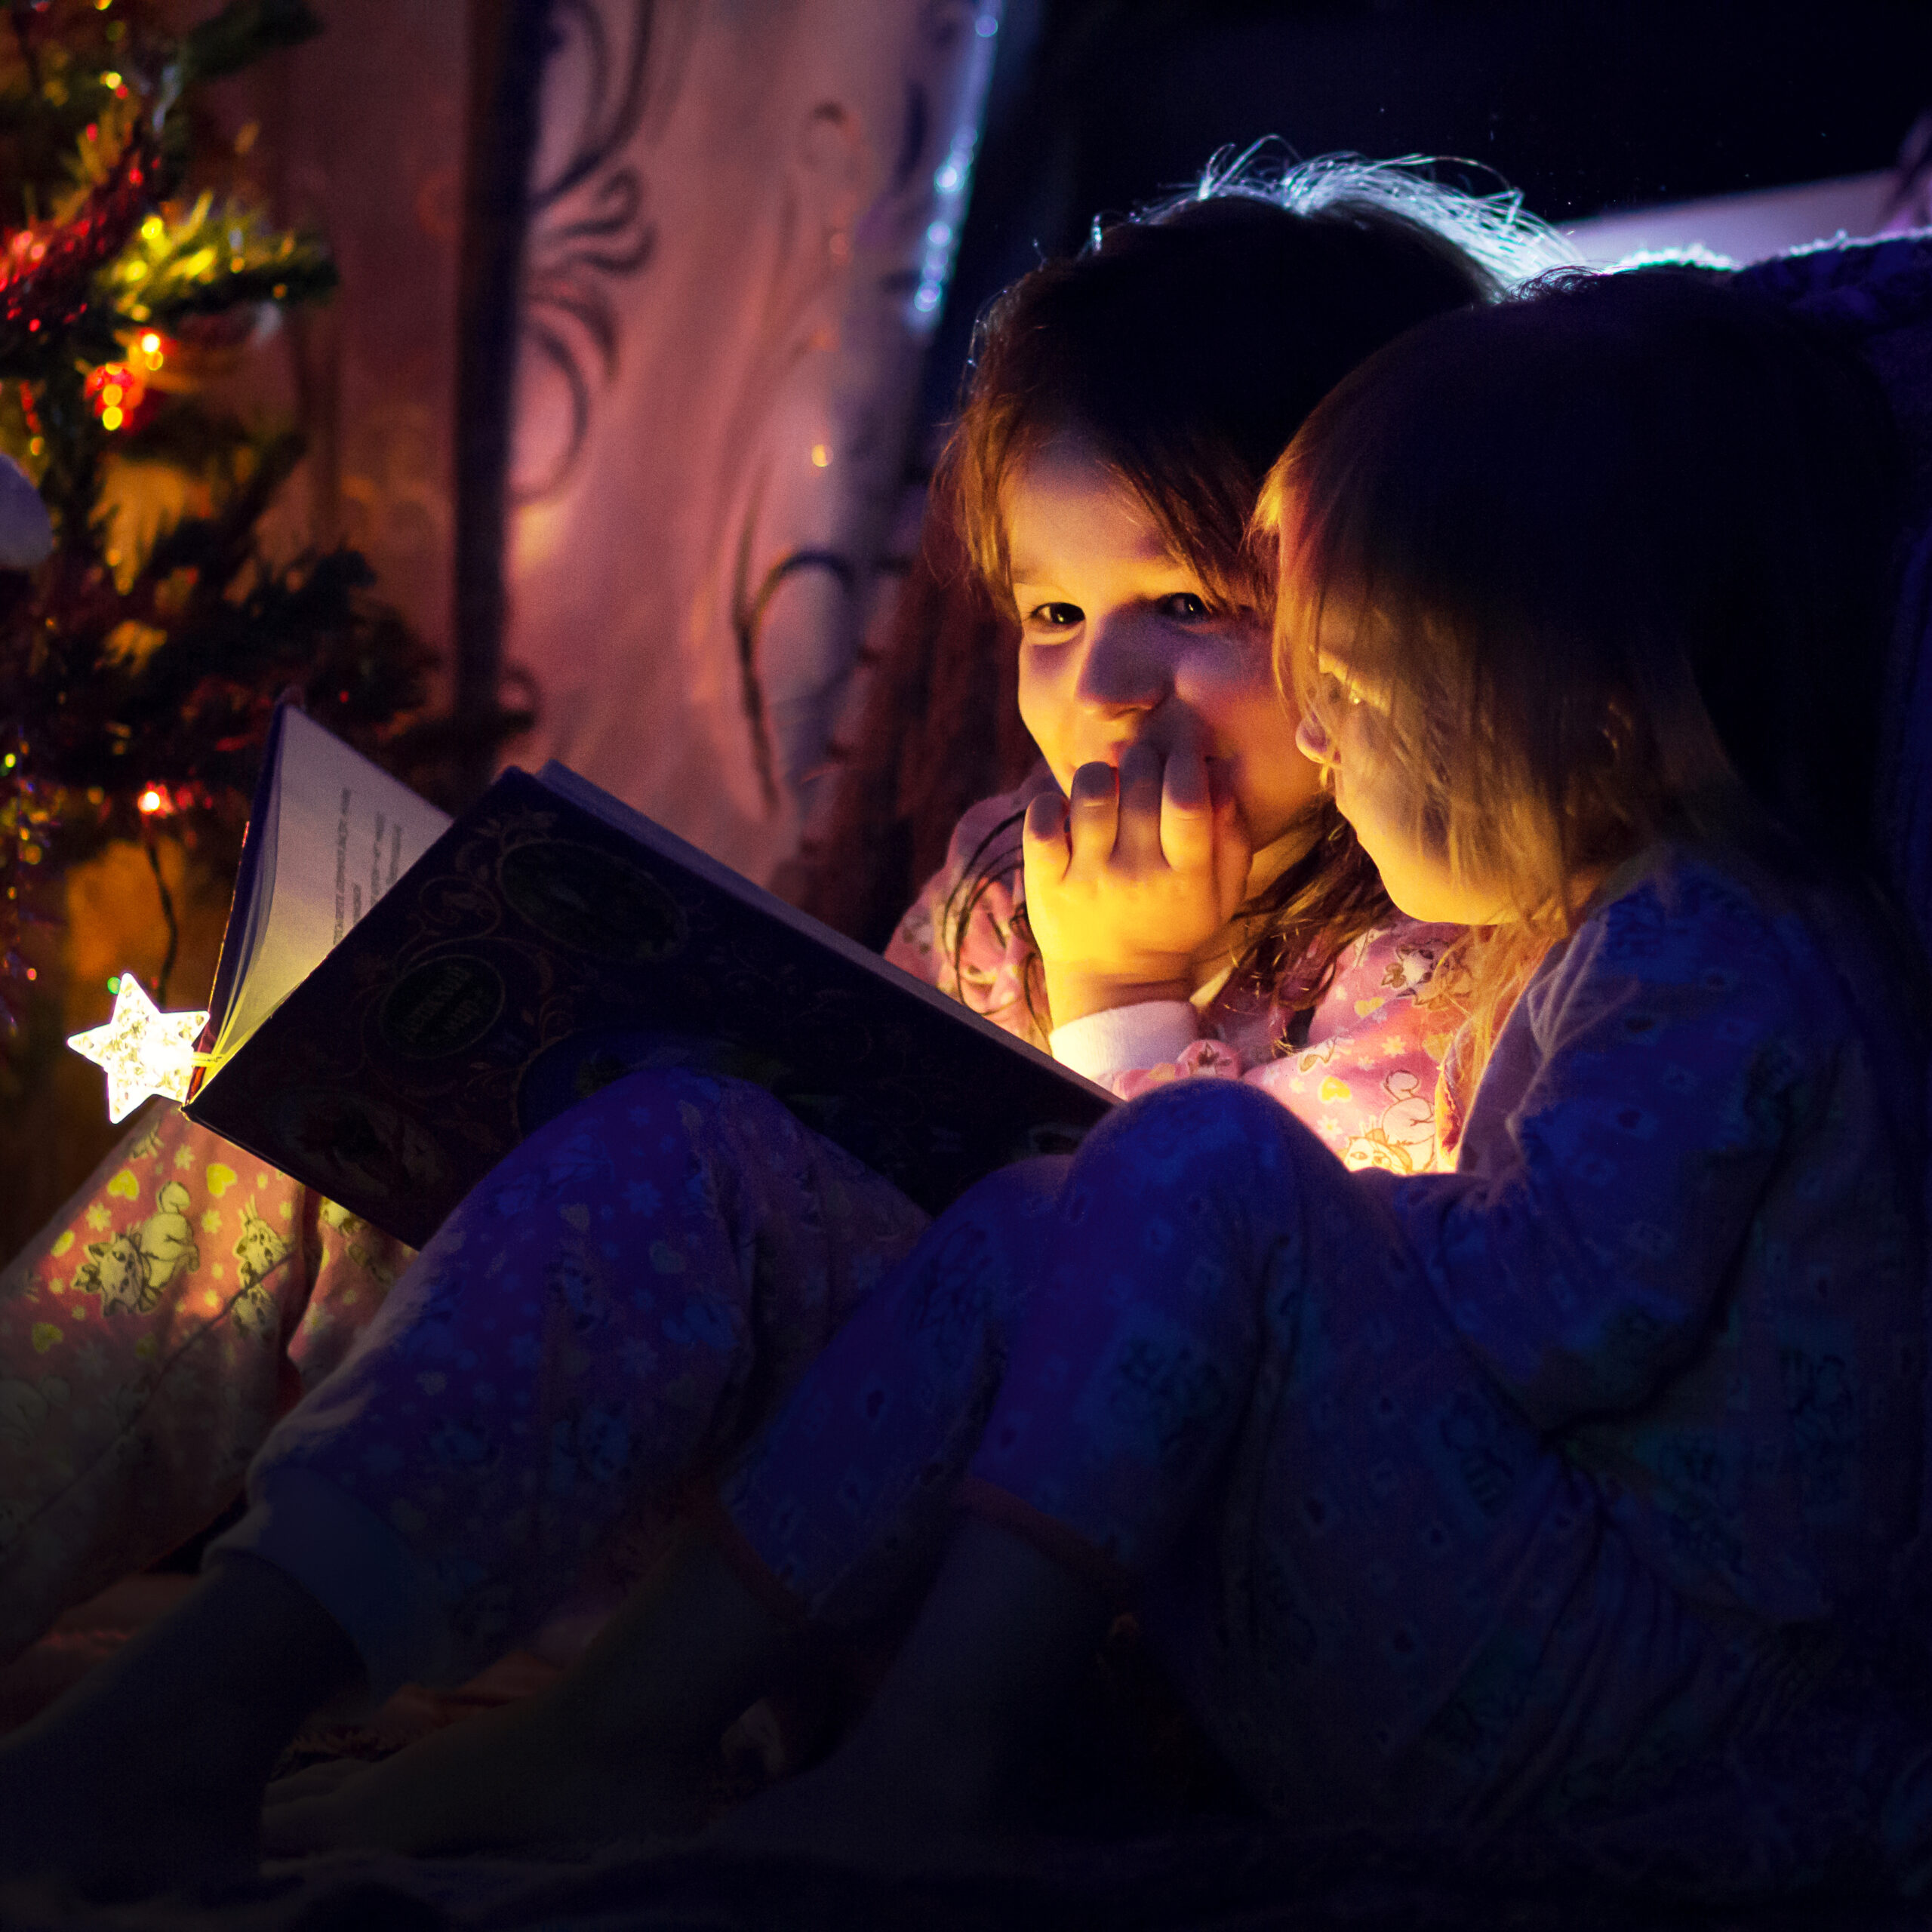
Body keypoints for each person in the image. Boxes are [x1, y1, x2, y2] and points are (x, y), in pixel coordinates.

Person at [0, 158, 1566, 1900]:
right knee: (279, 1096)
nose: (1103, 684)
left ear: (1383, 596)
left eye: (1186, 605)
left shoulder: (1449, 942)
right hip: (766, 1502)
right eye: (1052, 613)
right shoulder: (998, 871)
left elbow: (1204, 1341)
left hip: (1074, 1611)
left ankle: (189, 1728)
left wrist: (1128, 1000)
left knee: (695, 1158)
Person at [268, 265, 1928, 1895]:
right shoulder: (1615, 931)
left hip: (1652, 1681)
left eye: (1366, 692)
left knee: (1190, 1159)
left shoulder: (1708, 947)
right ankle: (619, 1716)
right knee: (1030, 1218)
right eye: (1052, 613)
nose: (1336, 748)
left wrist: (1257, 1220)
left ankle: (934, 1765)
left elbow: (1544, 1327)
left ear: (1603, 710)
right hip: (1523, 1607)